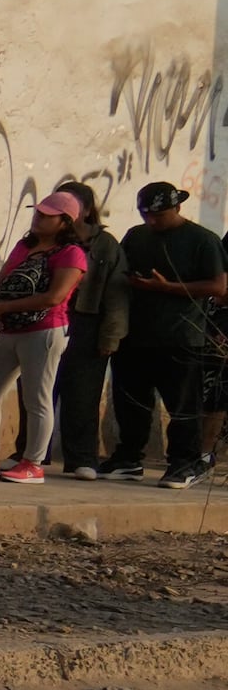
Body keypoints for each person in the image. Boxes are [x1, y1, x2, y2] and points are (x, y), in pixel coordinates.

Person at [0, 190, 90, 484]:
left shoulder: (71, 253)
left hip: (45, 330)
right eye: (38, 213)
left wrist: (3, 307)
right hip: (10, 329)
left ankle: (33, 462)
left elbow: (55, 297)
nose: (38, 218)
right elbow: (3, 277)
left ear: (64, 221)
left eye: (46, 215)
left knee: (37, 397)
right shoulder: (25, 246)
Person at [114, 181, 224, 489]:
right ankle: (127, 458)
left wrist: (167, 288)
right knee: (132, 401)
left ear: (177, 208)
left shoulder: (203, 239)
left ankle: (184, 463)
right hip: (136, 334)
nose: (151, 220)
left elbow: (217, 287)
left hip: (181, 337)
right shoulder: (136, 236)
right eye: (145, 214)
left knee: (182, 405)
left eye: (158, 215)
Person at [57, 179, 132, 474]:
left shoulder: (105, 245)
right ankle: (30, 454)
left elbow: (117, 295)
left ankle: (82, 458)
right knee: (39, 389)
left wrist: (111, 336)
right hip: (48, 319)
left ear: (87, 210)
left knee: (83, 394)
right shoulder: (49, 238)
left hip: (86, 321)